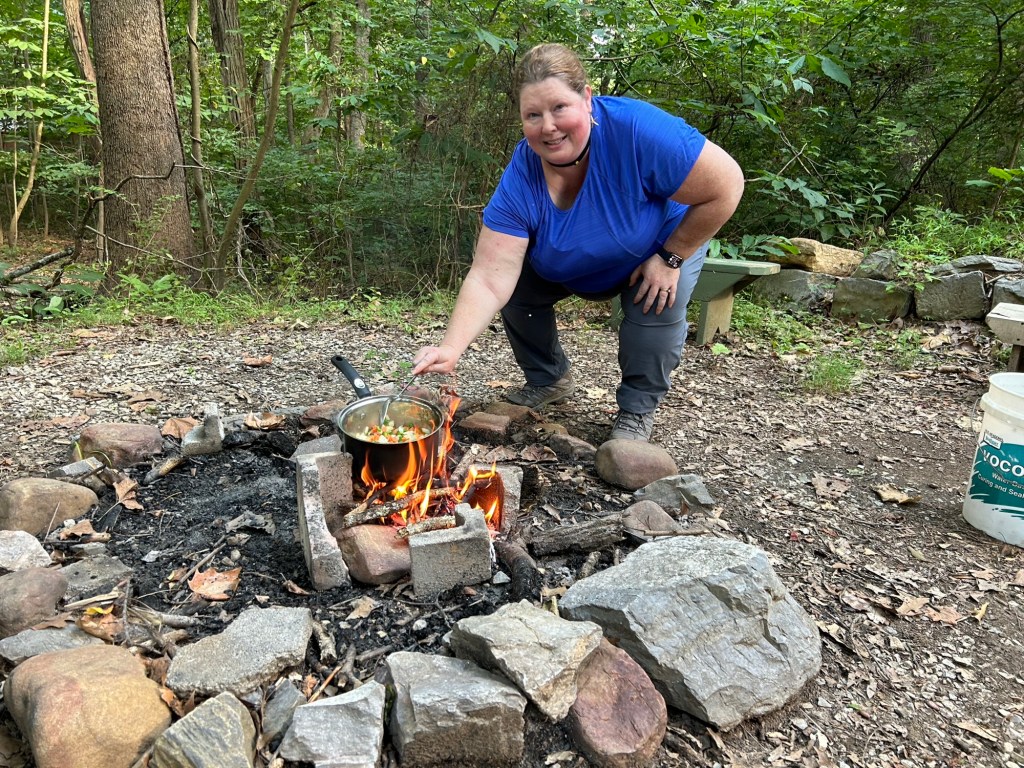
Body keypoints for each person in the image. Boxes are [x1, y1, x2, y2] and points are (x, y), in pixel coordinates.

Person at [411, 43, 744, 442]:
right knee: (515, 286)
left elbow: (727, 185)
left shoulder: (637, 131)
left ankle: (637, 411)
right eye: (533, 115)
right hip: (570, 261)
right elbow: (488, 277)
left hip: (659, 245)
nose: (548, 126)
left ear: (587, 98)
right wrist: (451, 348)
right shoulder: (521, 180)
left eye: (559, 108)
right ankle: (549, 378)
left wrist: (672, 256)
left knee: (655, 302)